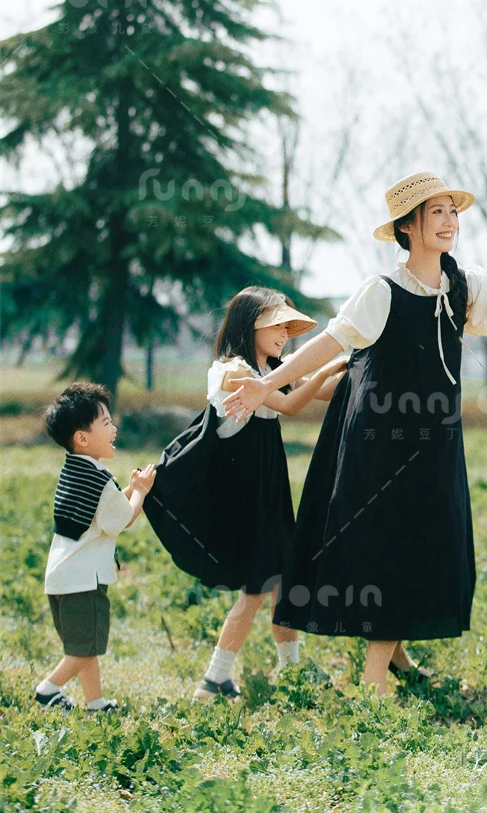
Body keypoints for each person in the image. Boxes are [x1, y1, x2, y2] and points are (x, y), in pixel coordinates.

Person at [223, 171, 487, 695]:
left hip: (435, 441)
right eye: (437, 212)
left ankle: (396, 657)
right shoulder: (380, 292)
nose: (450, 221)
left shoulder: (466, 287)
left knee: (423, 537)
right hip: (378, 441)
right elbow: (328, 345)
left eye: (453, 211)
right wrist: (266, 383)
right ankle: (375, 675)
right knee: (391, 542)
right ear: (407, 226)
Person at [144, 286, 346, 702]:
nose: (285, 334)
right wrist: (325, 371)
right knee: (257, 590)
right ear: (251, 323)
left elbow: (320, 392)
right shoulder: (234, 371)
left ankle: (288, 671)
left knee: (280, 583)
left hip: (267, 492)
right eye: (278, 325)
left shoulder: (273, 366)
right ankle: (214, 679)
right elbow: (290, 406)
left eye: (289, 327)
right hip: (243, 496)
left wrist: (353, 365)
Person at [38, 382, 156, 712]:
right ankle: (48, 689)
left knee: (84, 646)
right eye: (106, 423)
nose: (114, 428)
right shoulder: (100, 480)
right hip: (84, 581)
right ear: (82, 438)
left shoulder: (74, 471)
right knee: (84, 648)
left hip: (61, 578)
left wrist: (129, 492)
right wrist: (140, 491)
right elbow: (121, 520)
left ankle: (95, 703)